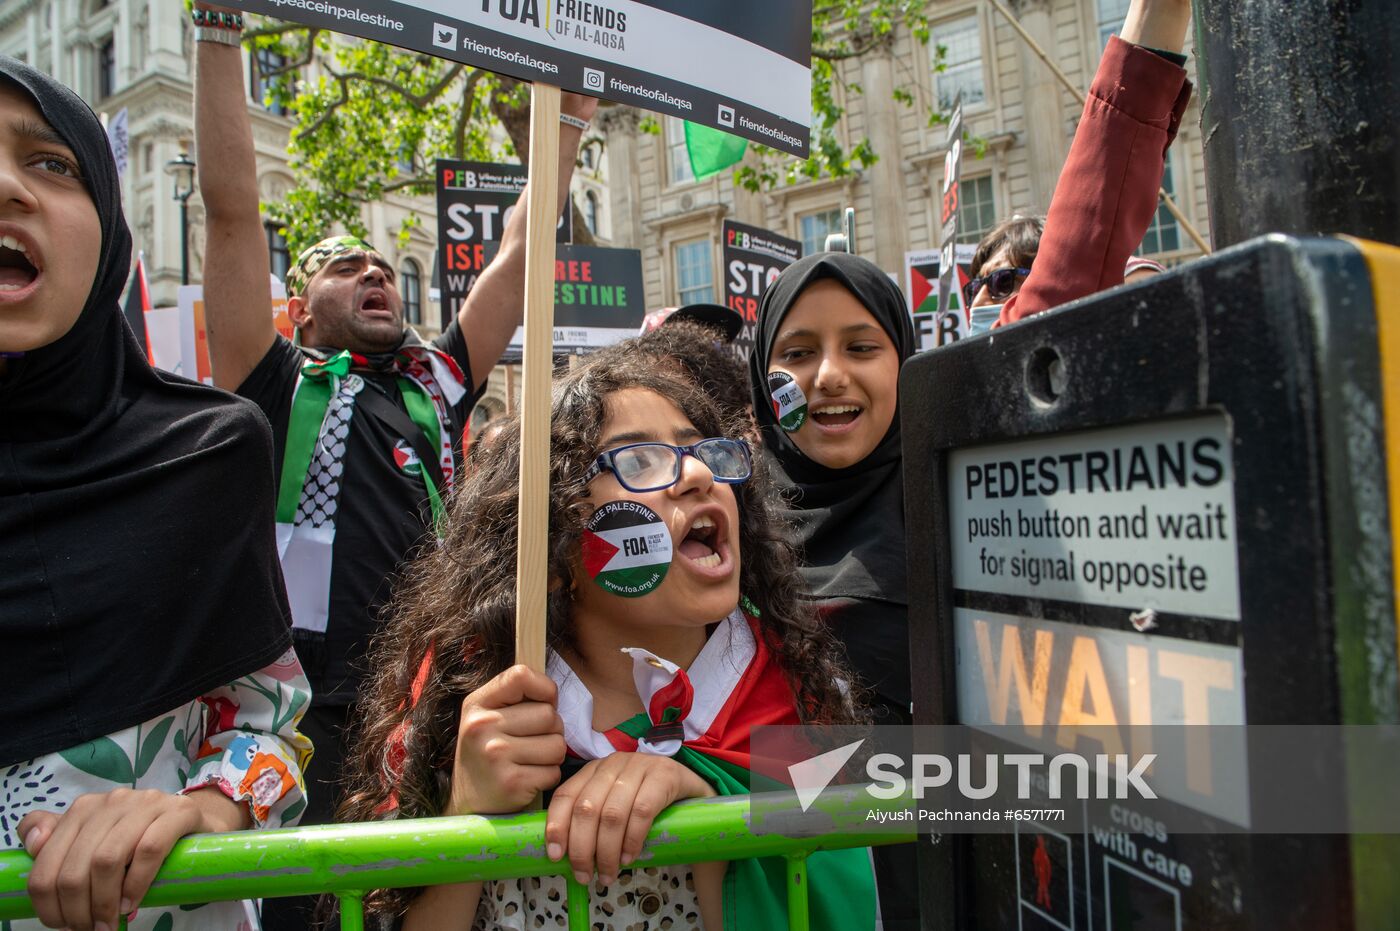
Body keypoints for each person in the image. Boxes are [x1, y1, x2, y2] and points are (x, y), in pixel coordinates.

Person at [192, 8, 596, 925]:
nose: (375, 273)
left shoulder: (438, 381)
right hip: (306, 713)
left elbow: (524, 256)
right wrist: (217, 27)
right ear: (298, 309)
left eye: (382, 264)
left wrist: (570, 117)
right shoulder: (271, 379)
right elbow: (229, 213)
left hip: (430, 694)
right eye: (344, 268)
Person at [338, 359, 877, 929]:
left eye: (703, 450)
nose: (696, 475)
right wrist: (462, 814)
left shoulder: (800, 687)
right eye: (639, 460)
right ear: (551, 546)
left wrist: (711, 808)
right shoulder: (468, 696)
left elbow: (844, 894)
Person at [0, 57, 311, 931]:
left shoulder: (205, 452)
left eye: (51, 163)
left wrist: (209, 807)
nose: (5, 186)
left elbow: (277, 736)